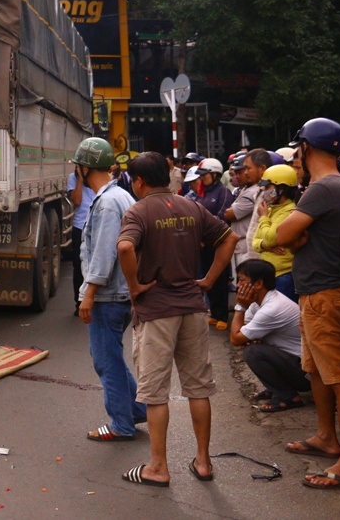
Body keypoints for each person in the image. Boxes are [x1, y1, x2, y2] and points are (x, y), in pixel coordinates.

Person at [117, 152, 238, 487]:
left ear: (138, 181)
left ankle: (158, 466)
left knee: (155, 393)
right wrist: (211, 279)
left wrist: (134, 286)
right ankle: (203, 461)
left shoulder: (138, 211)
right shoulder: (190, 206)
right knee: (198, 389)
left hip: (157, 311)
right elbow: (229, 238)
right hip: (192, 307)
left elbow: (125, 248)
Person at [275, 117, 340, 489]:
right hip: (319, 293)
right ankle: (327, 437)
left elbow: (281, 234)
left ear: (305, 148)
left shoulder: (323, 188)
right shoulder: (333, 186)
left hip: (328, 296)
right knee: (317, 371)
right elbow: (291, 239)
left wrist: (295, 237)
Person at [74, 138, 146, 441]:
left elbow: (104, 253)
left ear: (84, 168)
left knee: (106, 361)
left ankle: (121, 424)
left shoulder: (105, 203)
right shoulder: (121, 196)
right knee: (111, 356)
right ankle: (136, 410)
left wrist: (88, 294)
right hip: (121, 292)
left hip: (109, 295)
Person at [229, 259, 309, 412]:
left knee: (253, 352)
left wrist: (240, 307)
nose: (238, 286)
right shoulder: (258, 301)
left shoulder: (273, 307)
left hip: (306, 373)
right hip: (292, 361)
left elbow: (235, 338)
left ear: (258, 284)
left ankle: (287, 396)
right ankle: (276, 387)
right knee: (252, 345)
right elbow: (241, 332)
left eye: (242, 281)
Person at [196, 158, 234, 329]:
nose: (201, 178)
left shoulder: (224, 192)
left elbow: (222, 217)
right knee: (207, 276)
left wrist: (207, 235)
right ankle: (214, 311)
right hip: (203, 244)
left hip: (218, 243)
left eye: (204, 175)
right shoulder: (202, 193)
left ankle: (223, 316)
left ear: (215, 174)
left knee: (219, 279)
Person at [252, 164, 299, 302]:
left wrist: (263, 218)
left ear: (281, 189)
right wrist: (264, 245)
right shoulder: (272, 209)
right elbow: (255, 242)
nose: (264, 192)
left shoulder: (289, 211)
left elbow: (272, 238)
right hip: (271, 275)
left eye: (268, 187)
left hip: (284, 276)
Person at [68, 147, 96, 313]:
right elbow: (77, 200)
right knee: (78, 266)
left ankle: (94, 299)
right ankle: (79, 302)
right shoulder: (73, 178)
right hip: (80, 226)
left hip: (96, 225)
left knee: (96, 264)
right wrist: (79, 178)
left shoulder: (96, 179)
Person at [224, 154, 257, 265]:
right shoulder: (244, 189)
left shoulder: (252, 191)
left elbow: (229, 214)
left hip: (247, 248)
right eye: (235, 173)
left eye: (240, 172)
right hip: (241, 245)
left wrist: (230, 209)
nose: (237, 176)